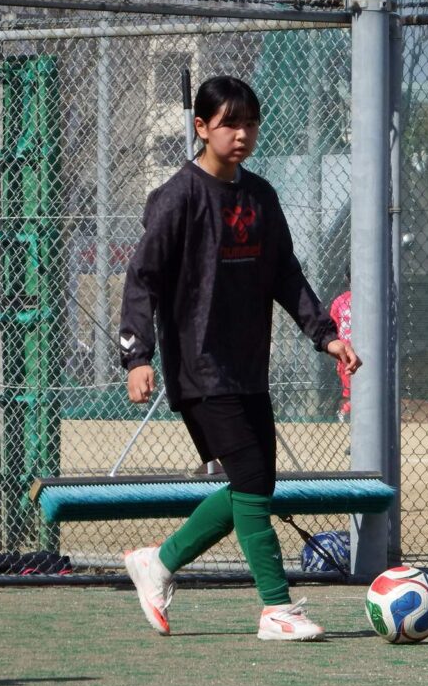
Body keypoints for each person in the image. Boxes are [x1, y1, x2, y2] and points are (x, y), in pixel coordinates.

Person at [118, 76, 361, 641]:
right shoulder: (178, 197)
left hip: (248, 366)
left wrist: (325, 334)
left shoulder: (260, 197)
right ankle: (276, 608)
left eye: (250, 122)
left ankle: (158, 563)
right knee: (251, 479)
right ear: (201, 127)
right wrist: (137, 355)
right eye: (229, 123)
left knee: (255, 485)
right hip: (199, 366)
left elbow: (285, 274)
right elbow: (142, 279)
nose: (242, 134)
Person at [329, 269, 352, 422]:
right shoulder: (340, 301)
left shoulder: (340, 301)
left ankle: (344, 412)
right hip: (346, 353)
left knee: (355, 390)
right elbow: (333, 325)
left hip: (356, 352)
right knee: (350, 390)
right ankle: (344, 413)